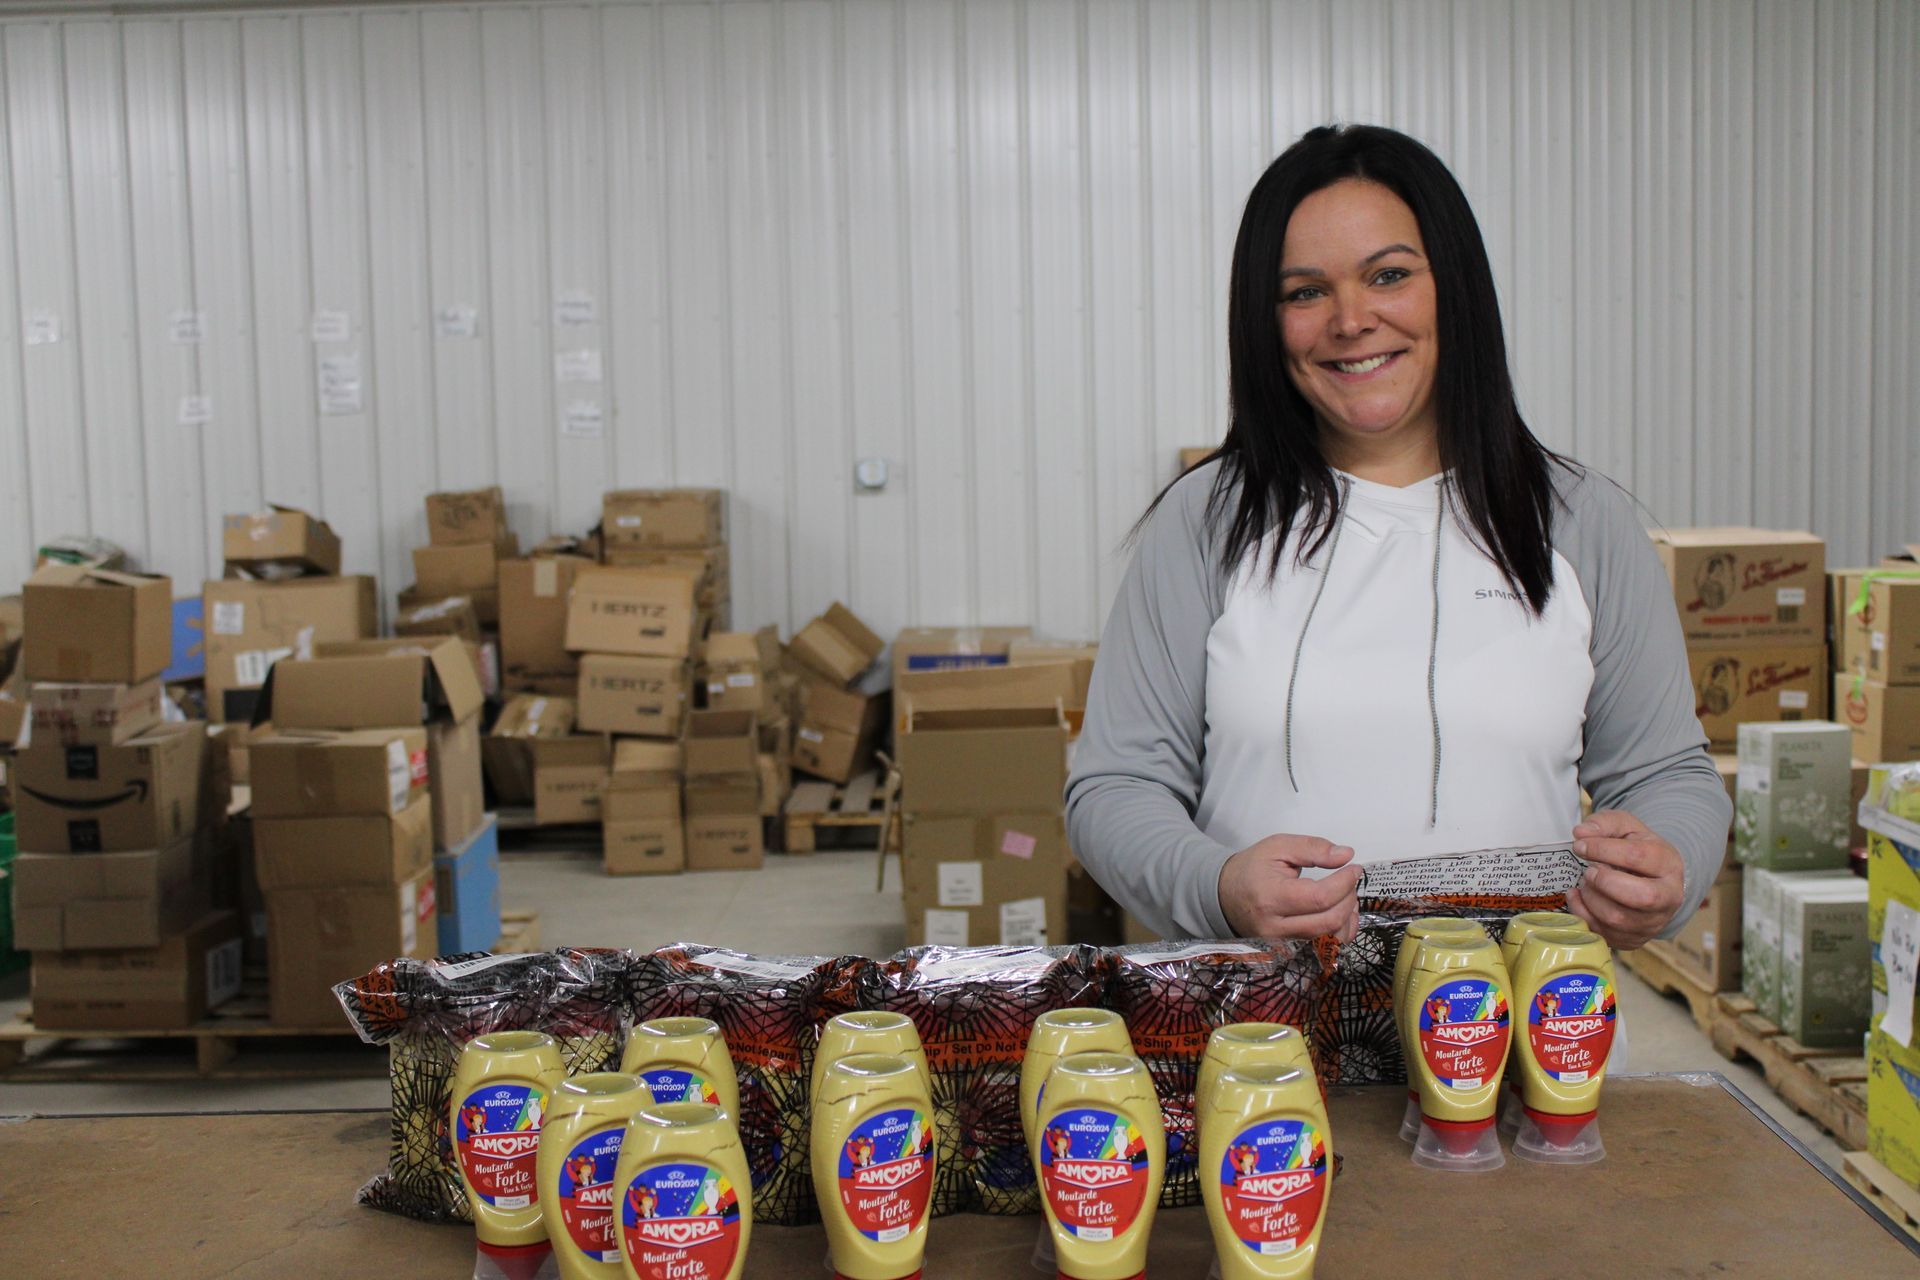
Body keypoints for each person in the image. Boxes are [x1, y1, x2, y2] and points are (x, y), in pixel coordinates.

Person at [1064, 124, 1730, 950]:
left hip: (1521, 1019)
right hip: (1261, 1025)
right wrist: (1218, 885)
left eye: (1389, 275)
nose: (1351, 320)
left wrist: (1671, 864)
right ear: (1265, 322)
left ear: (1455, 286)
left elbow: (1669, 775)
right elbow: (1115, 787)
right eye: (1305, 292)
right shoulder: (1205, 523)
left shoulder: (1580, 519)